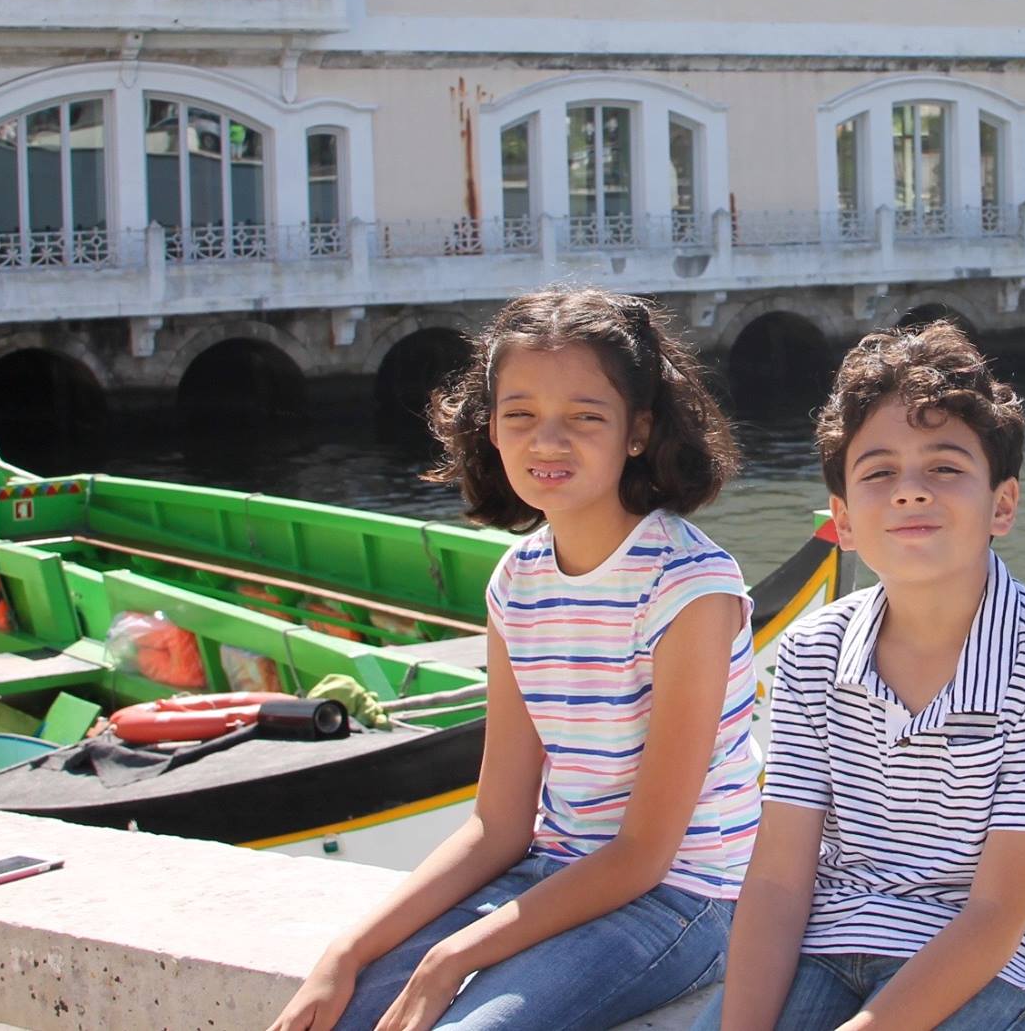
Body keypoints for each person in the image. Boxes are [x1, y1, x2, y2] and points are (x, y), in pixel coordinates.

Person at [271, 288, 754, 1031]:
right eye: (520, 414)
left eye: (585, 417)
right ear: (489, 426)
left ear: (638, 429)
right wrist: (347, 950)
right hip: (552, 870)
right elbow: (498, 822)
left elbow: (644, 853)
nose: (546, 441)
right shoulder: (518, 582)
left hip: (687, 900)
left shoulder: (688, 587)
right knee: (342, 1013)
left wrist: (451, 956)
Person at [702, 323, 1025, 1031]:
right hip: (834, 937)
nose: (909, 492)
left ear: (1002, 504)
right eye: (879, 471)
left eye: (945, 467)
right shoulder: (810, 652)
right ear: (844, 519)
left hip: (991, 958)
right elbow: (776, 877)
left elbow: (996, 913)